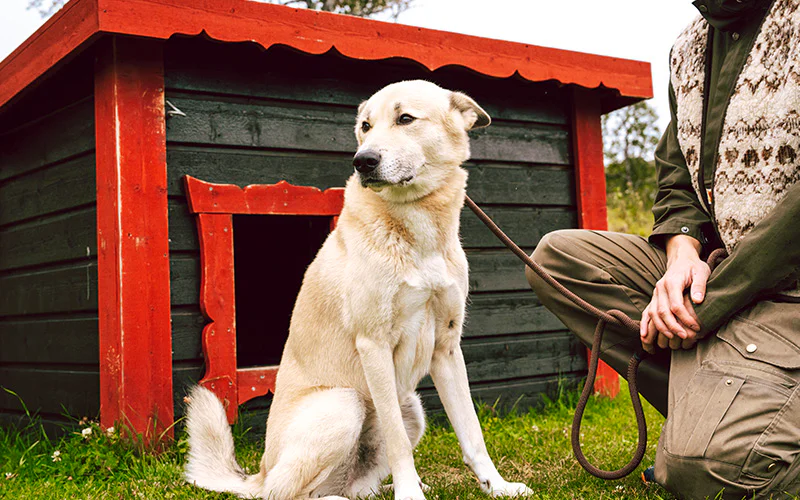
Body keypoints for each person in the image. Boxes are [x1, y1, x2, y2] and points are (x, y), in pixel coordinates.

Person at [527, 0, 800, 498]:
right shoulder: (688, 48)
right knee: (555, 261)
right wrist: (680, 259)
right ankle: (711, 410)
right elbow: (677, 180)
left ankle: (733, 432)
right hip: (713, 267)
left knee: (703, 471)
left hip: (790, 290)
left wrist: (707, 305)